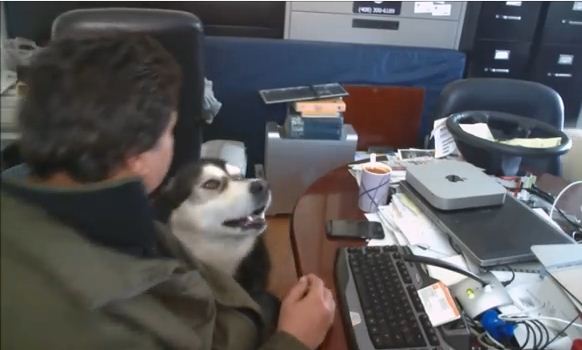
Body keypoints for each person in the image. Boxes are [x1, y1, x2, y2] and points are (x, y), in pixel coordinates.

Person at [1, 34, 335, 350]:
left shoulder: (62, 215)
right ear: (137, 158)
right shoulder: (98, 319)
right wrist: (295, 339)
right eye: (169, 131)